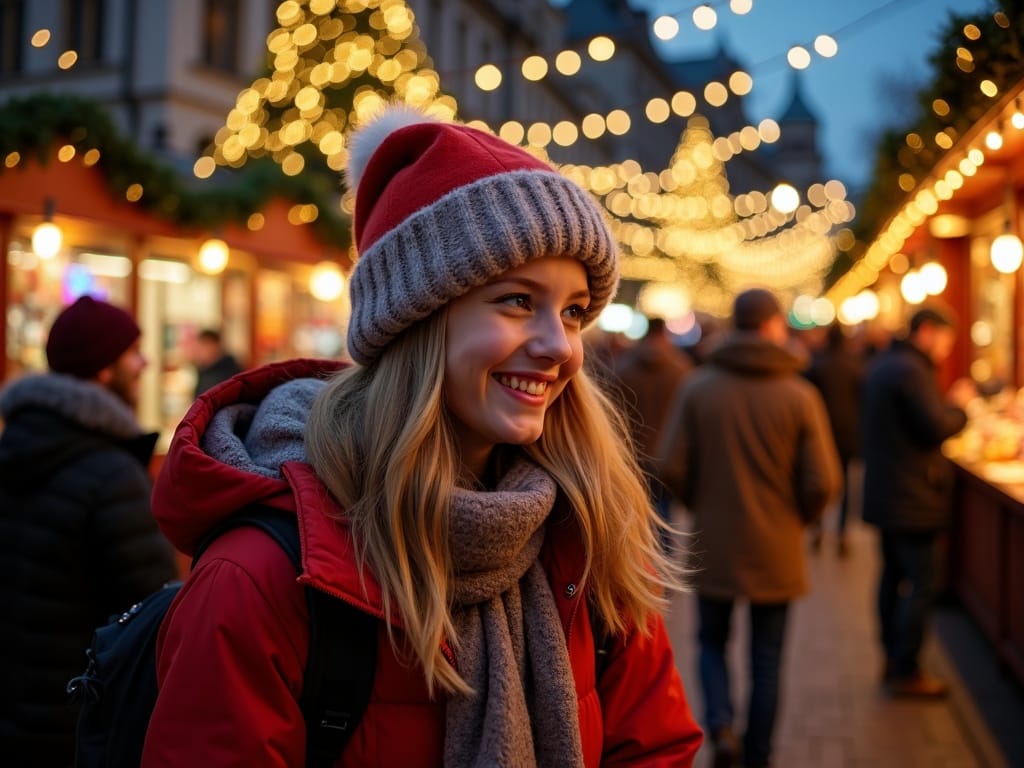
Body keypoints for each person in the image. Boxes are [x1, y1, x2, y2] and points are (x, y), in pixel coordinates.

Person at [142, 105, 703, 766]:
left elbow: (655, 746)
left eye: (574, 311)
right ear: (416, 320)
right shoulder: (262, 576)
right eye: (518, 300)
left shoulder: (588, 536)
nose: (560, 347)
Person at [657, 288, 841, 768]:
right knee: (768, 656)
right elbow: (824, 480)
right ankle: (758, 752)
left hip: (713, 542)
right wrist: (796, 517)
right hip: (775, 547)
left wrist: (701, 504)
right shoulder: (800, 395)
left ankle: (719, 728)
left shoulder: (698, 387)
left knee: (710, 642)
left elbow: (669, 465)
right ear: (774, 326)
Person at [0, 295, 178, 765]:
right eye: (132, 352)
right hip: (77, 724)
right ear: (103, 369)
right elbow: (153, 618)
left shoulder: (15, 448)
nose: (144, 363)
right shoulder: (111, 475)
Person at [861, 304, 973, 698]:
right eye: (945, 340)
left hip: (889, 492)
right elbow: (935, 426)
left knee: (893, 577)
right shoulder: (911, 371)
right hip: (912, 496)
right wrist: (960, 407)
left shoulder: (887, 363)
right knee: (923, 582)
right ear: (927, 331)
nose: (945, 349)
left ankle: (892, 657)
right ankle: (907, 669)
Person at [608, 316, 693, 550]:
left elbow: (613, 416)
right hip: (667, 456)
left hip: (633, 455)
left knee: (634, 519)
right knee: (664, 518)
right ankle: (664, 571)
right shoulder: (682, 370)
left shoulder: (623, 367)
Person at [804, 321, 865, 556]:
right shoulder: (854, 365)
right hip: (848, 434)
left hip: (821, 432)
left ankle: (818, 526)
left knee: (819, 480)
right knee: (846, 484)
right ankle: (842, 532)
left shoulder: (817, 364)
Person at [191, 328, 242, 398]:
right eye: (198, 347)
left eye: (203, 346)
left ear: (215, 346)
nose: (199, 352)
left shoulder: (228, 370)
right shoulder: (203, 369)